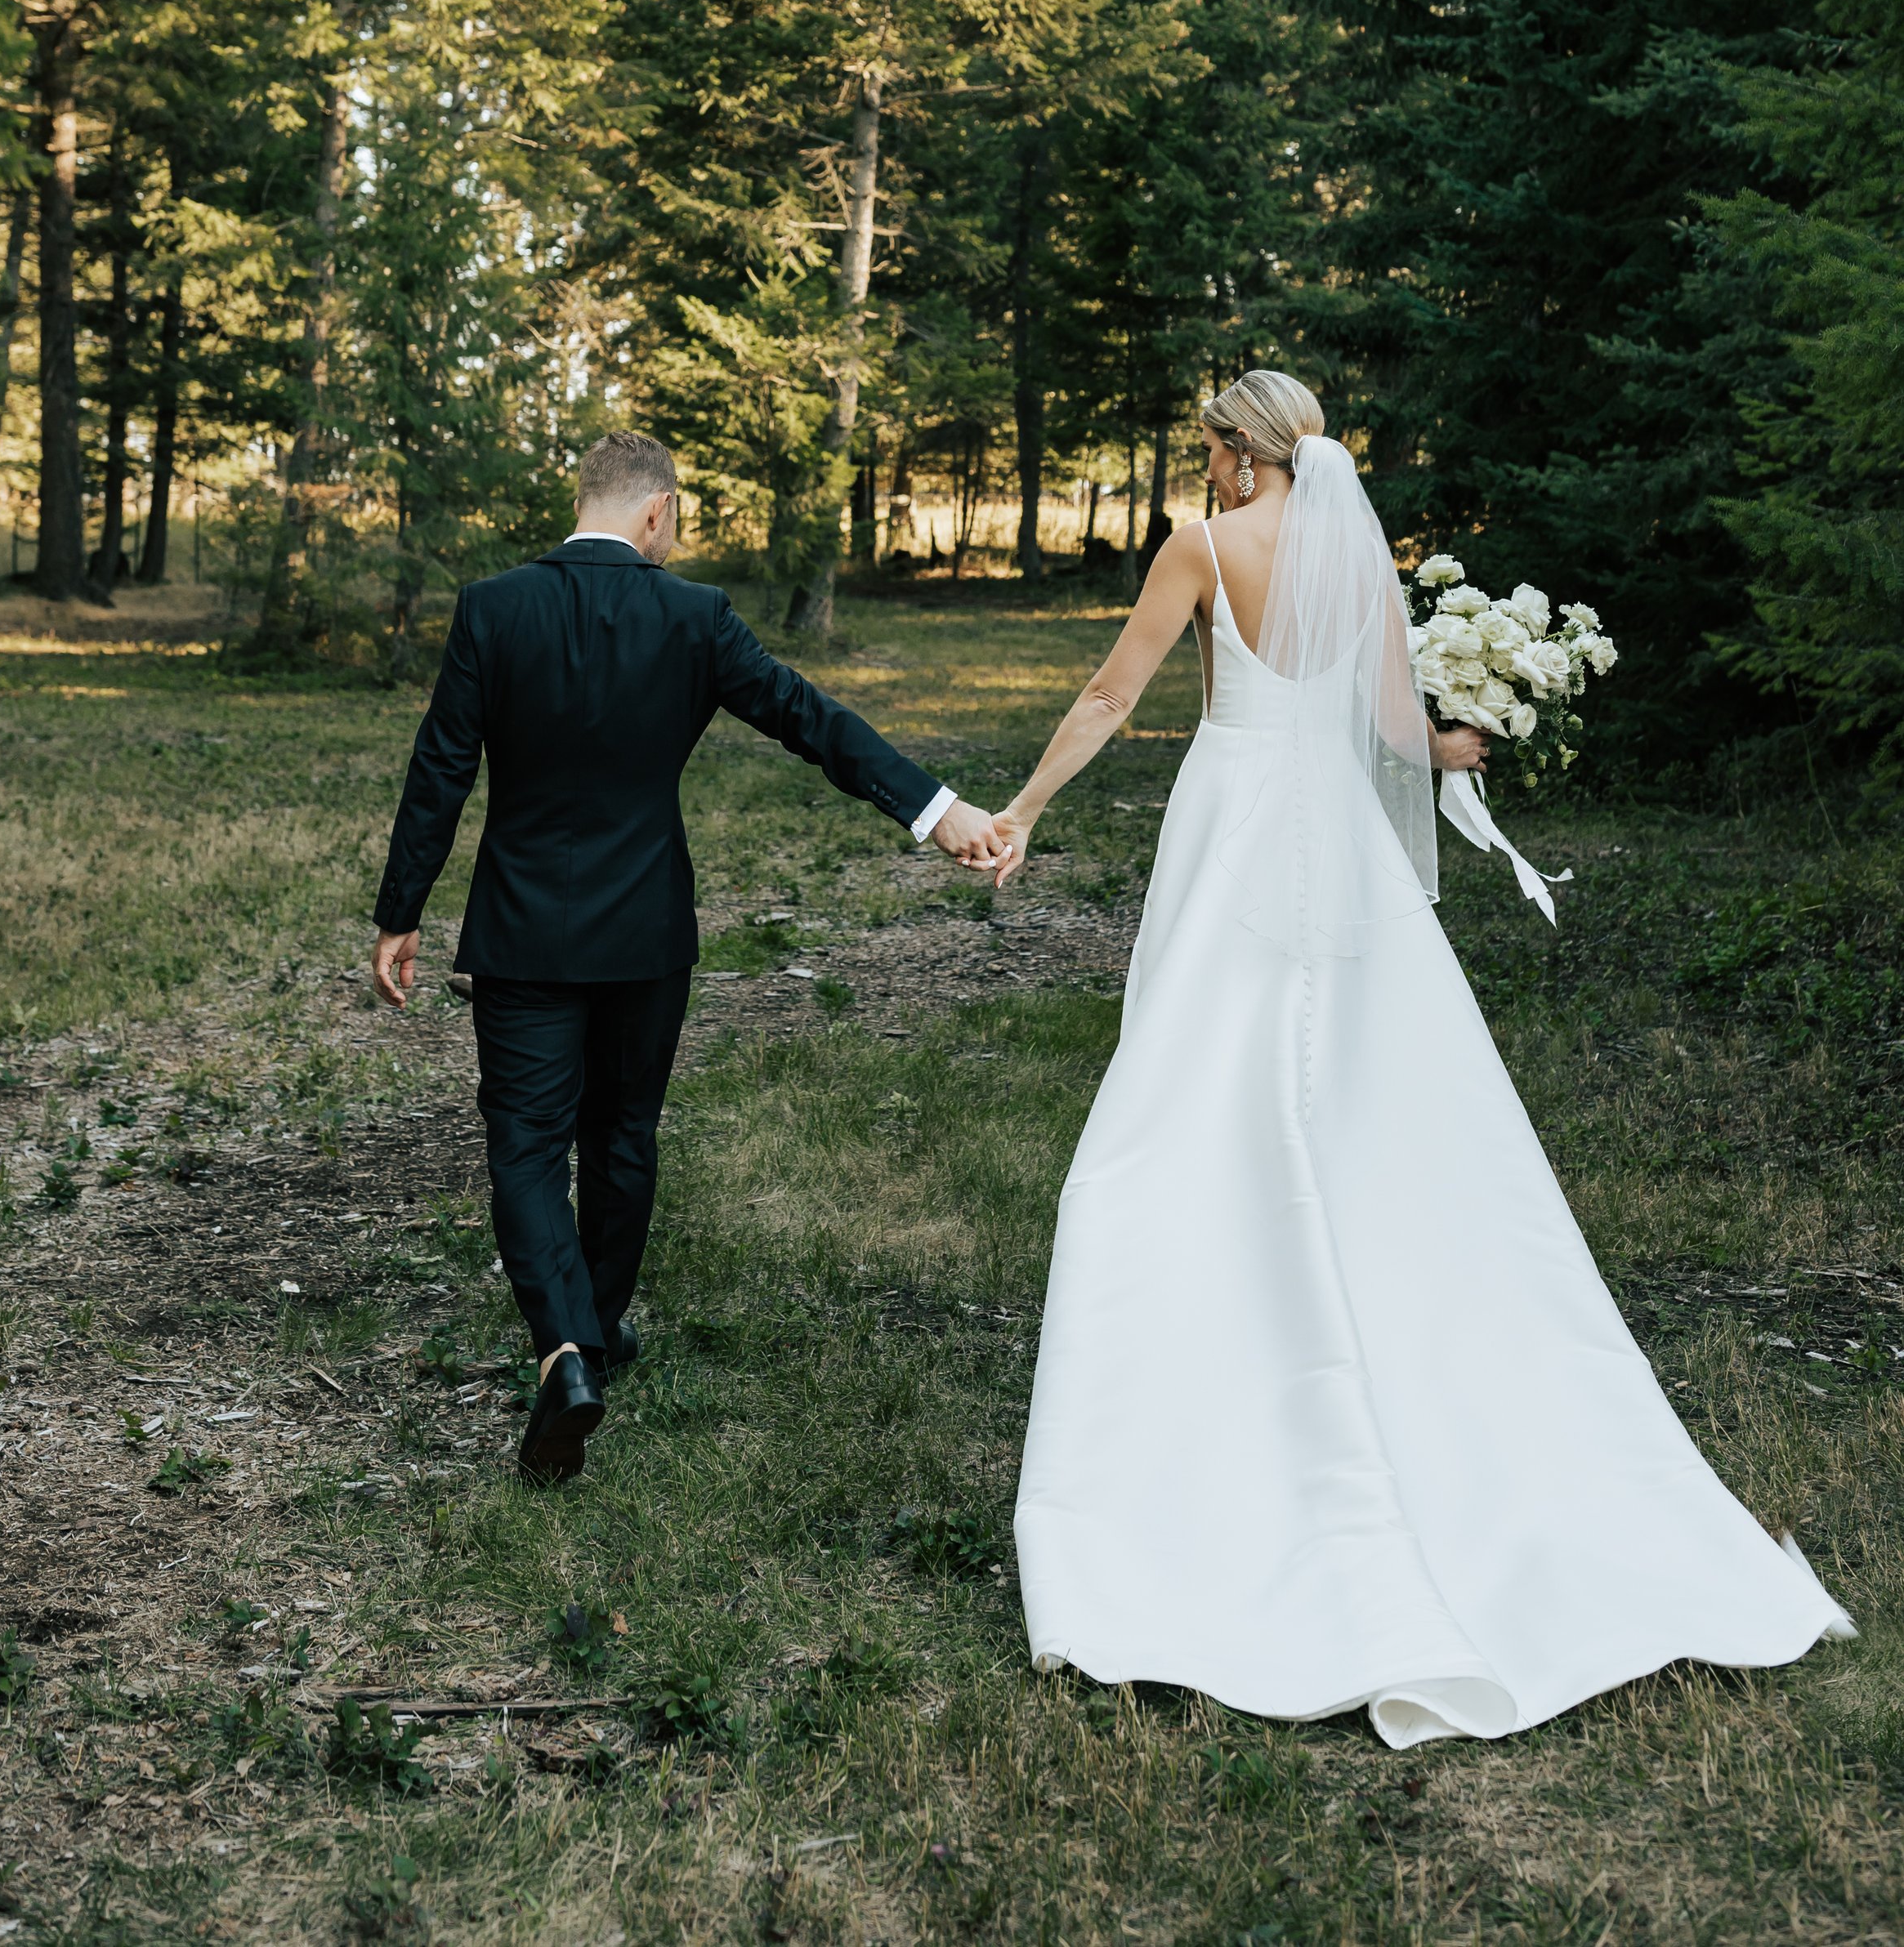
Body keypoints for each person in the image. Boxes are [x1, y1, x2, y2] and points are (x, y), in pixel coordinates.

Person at [993, 369, 1851, 1748]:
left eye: (1210, 444)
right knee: (1363, 1086)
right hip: (1329, 829)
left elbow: (1112, 691)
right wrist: (1475, 735)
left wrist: (1025, 806)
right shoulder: (1349, 553)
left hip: (1232, 828)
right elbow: (1399, 733)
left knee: (1191, 1090)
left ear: (1236, 450)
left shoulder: (1204, 548)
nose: (1203, 466)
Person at [370, 428, 1007, 1483]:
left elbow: (440, 765)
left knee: (525, 1145)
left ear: (588, 500)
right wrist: (935, 813)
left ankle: (565, 1348)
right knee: (623, 1131)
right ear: (657, 511)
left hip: (523, 929)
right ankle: (601, 1329)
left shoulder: (494, 607)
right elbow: (814, 720)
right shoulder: (695, 617)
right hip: (646, 930)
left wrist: (401, 910)